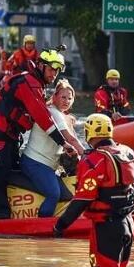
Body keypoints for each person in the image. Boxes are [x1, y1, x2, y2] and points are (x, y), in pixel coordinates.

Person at [53, 114, 134, 267]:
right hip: (128, 224)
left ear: (89, 133)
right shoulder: (128, 153)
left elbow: (82, 200)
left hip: (106, 228)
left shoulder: (94, 160)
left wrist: (60, 226)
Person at [0, 48, 77, 219]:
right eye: (50, 69)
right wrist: (63, 143)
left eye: (56, 71)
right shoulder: (29, 82)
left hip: (10, 137)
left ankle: (18, 212)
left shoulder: (36, 85)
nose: (53, 74)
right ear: (40, 66)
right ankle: (1, 220)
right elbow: (42, 117)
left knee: (12, 173)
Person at [20, 79, 85, 217]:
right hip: (35, 163)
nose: (66, 101)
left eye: (70, 98)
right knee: (53, 194)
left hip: (46, 166)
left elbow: (73, 141)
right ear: (54, 96)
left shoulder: (61, 115)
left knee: (65, 193)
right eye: (63, 97)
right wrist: (89, 156)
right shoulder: (53, 112)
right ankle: (43, 225)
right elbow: (71, 139)